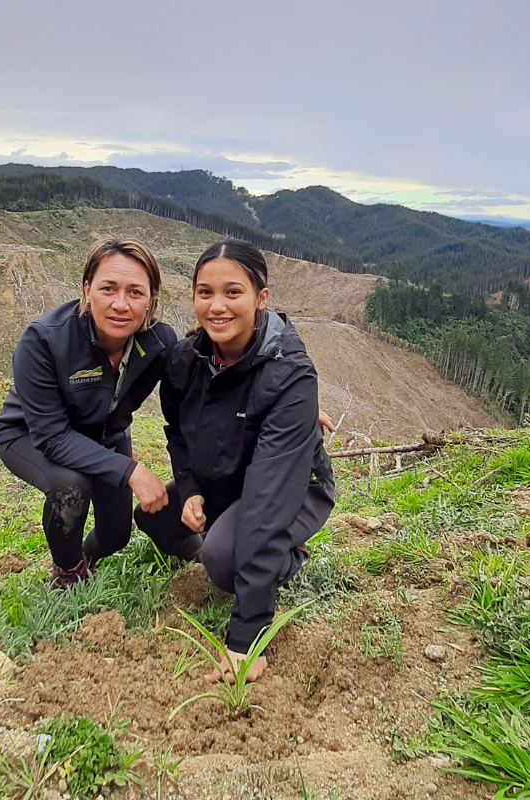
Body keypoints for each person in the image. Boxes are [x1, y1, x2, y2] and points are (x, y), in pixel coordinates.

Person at [136, 240, 336, 684]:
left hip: (287, 489)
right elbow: (177, 433)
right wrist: (189, 491)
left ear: (260, 298)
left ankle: (285, 555)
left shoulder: (290, 375)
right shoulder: (186, 361)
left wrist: (246, 638)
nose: (217, 306)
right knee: (153, 518)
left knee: (225, 561)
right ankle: (219, 535)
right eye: (205, 293)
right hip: (224, 481)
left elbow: (268, 498)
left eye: (233, 292)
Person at [0, 238, 198, 588]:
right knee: (70, 486)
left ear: (151, 298)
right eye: (108, 288)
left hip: (106, 436)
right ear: (87, 290)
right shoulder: (44, 340)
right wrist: (132, 471)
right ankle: (68, 574)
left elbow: (202, 381)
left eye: (136, 292)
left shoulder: (159, 342)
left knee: (115, 535)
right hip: (31, 436)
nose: (121, 304)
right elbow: (52, 436)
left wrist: (278, 402)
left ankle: (84, 559)